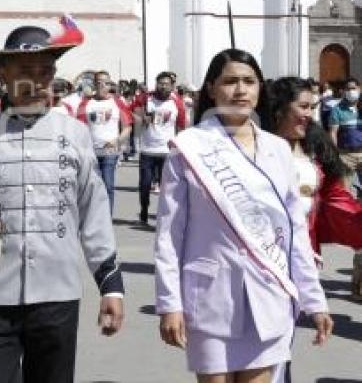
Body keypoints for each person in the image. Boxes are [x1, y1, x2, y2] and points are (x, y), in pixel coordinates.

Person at [0, 24, 124, 383]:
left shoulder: (74, 133)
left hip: (57, 292)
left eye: (45, 72)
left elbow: (93, 212)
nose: (37, 81)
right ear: (2, 75)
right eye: (25, 71)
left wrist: (111, 285)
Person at [155, 49, 332, 382]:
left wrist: (315, 300)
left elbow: (294, 231)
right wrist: (169, 304)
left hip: (268, 291)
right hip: (209, 297)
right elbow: (169, 235)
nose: (240, 90)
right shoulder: (189, 148)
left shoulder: (278, 149)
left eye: (249, 81)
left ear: (260, 88)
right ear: (210, 89)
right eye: (230, 81)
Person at [267, 77, 362, 299]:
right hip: (261, 248)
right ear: (279, 108)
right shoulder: (254, 145)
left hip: (303, 246)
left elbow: (335, 197)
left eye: (312, 107)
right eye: (303, 107)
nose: (309, 114)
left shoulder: (315, 148)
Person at [131, 72, 187, 225]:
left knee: (167, 187)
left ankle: (164, 216)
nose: (163, 86)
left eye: (166, 84)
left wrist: (180, 147)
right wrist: (141, 118)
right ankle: (144, 212)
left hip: (166, 151)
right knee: (145, 184)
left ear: (172, 86)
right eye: (160, 83)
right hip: (147, 150)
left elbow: (182, 125)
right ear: (156, 84)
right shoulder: (145, 98)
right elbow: (131, 112)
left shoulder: (177, 102)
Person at [77, 70, 133, 213]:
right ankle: (94, 216)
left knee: (108, 185)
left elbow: (127, 127)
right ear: (94, 84)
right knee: (92, 187)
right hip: (91, 153)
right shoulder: (85, 103)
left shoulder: (117, 102)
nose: (102, 86)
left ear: (110, 85)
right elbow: (79, 129)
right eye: (99, 83)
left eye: (106, 83)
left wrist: (117, 141)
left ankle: (107, 217)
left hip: (110, 152)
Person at [328, 77, 362, 186]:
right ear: (344, 91)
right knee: (346, 189)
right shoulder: (337, 110)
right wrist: (336, 154)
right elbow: (333, 132)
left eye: (354, 88)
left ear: (359, 89)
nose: (351, 91)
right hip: (346, 155)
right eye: (348, 89)